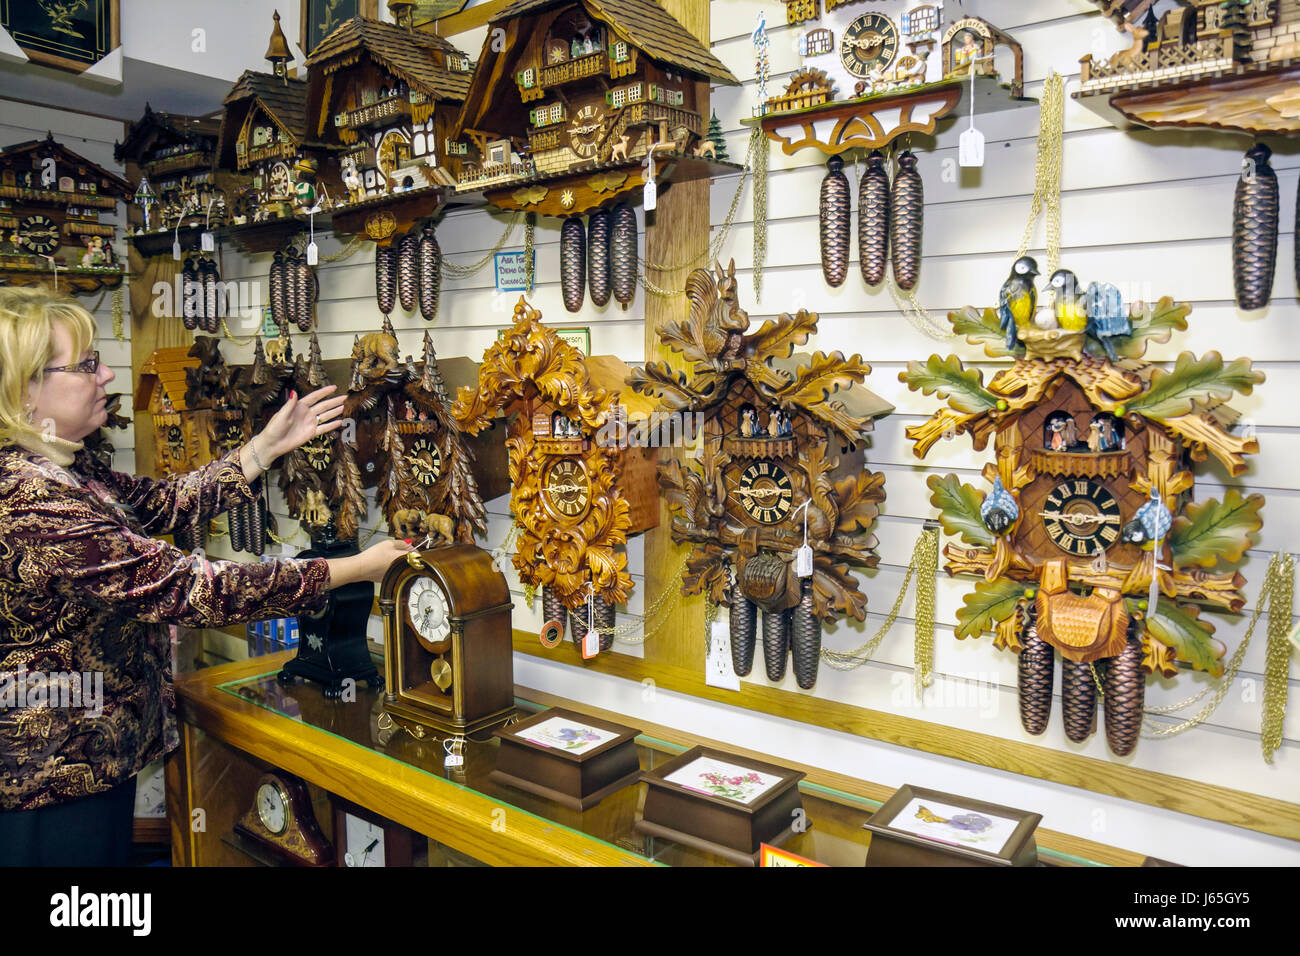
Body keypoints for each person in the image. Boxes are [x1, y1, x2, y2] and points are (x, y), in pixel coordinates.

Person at [0, 286, 413, 866]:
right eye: (87, 365)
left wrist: (262, 451)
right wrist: (356, 568)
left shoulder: (70, 470)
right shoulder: (31, 502)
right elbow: (197, 589)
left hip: (89, 761)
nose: (107, 376)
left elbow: (163, 504)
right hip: (49, 779)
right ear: (24, 391)